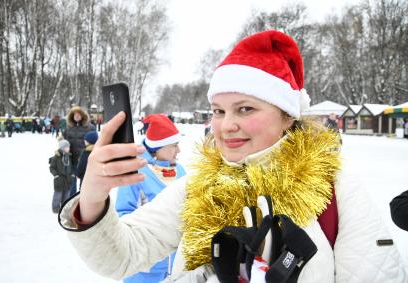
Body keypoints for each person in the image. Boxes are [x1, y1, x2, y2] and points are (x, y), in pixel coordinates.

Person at [58, 30, 406, 282]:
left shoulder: (337, 189)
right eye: (218, 111)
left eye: (244, 108)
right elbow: (122, 257)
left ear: (288, 116)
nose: (226, 126)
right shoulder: (198, 186)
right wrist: (91, 199)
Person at [115, 114, 186, 283]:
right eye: (174, 145)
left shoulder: (181, 171)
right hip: (145, 268)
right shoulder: (135, 171)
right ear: (158, 148)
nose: (179, 150)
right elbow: (123, 215)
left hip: (175, 267)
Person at [63, 106, 96, 197]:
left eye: (79, 114)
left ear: (82, 116)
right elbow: (64, 142)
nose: (77, 116)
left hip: (85, 160)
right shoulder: (68, 128)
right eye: (75, 115)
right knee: (72, 182)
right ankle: (71, 200)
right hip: (72, 160)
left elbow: (95, 142)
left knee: (84, 183)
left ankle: (83, 200)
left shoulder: (90, 128)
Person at [49, 139, 72, 213]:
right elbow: (52, 167)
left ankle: (64, 208)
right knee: (58, 195)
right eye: (66, 147)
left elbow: (70, 166)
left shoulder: (69, 156)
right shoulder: (57, 157)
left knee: (66, 195)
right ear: (62, 148)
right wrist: (56, 175)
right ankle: (55, 208)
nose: (68, 148)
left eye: (68, 147)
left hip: (67, 179)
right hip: (59, 179)